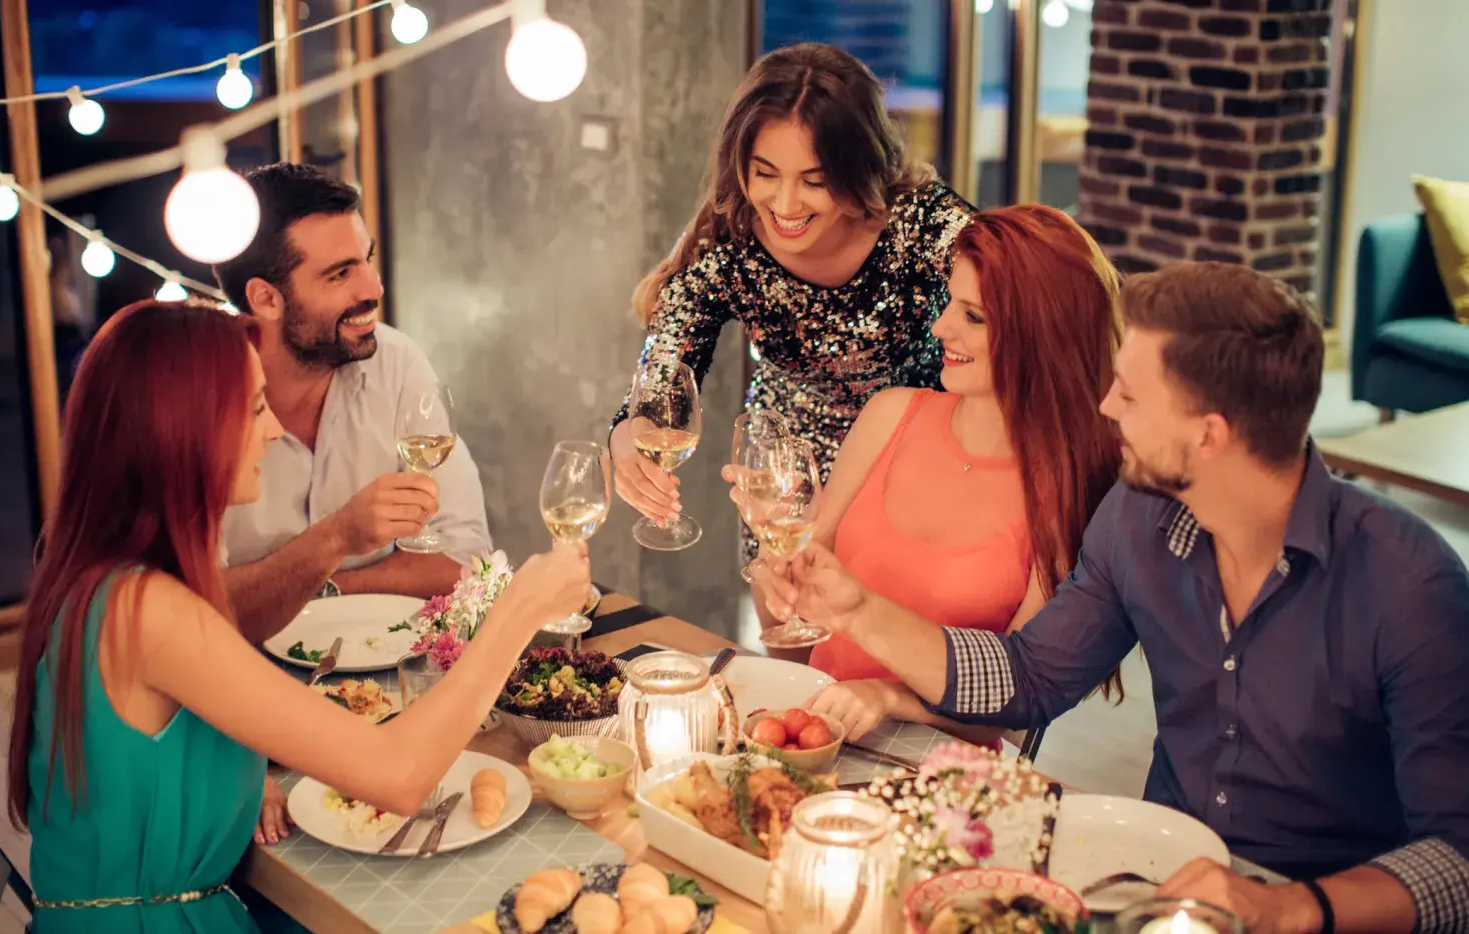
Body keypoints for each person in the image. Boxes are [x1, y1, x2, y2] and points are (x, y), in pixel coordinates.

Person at [754, 262, 1469, 933]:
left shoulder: (1409, 584)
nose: (1105, 406)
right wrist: (856, 611)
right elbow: (1031, 676)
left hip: (1326, 912)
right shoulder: (1137, 517)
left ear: (1208, 435)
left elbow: (1458, 859)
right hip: (1159, 886)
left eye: (1129, 394)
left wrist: (1287, 907)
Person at [5, 301, 588, 933]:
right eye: (255, 408)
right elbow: (398, 775)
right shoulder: (147, 610)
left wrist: (226, 769)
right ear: (185, 430)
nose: (273, 430)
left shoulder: (107, 585)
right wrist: (520, 609)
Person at [739, 205, 1123, 744]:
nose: (941, 327)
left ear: (1042, 335)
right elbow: (792, 637)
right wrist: (772, 553)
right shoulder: (890, 415)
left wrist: (889, 696)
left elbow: (1020, 700)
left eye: (974, 317)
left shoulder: (1069, 488)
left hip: (939, 771)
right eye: (950, 303)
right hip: (815, 741)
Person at [608, 43, 975, 563]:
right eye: (765, 174)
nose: (784, 205)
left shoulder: (920, 221)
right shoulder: (726, 240)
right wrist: (628, 437)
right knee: (788, 614)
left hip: (921, 464)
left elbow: (1022, 298)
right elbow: (664, 376)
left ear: (857, 169)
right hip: (784, 477)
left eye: (814, 181)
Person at [213, 163, 490, 642]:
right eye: (340, 274)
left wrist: (320, 589)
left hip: (382, 663)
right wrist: (338, 536)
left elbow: (465, 558)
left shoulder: (395, 362)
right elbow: (194, 608)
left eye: (367, 260)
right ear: (266, 298)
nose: (373, 289)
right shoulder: (199, 399)